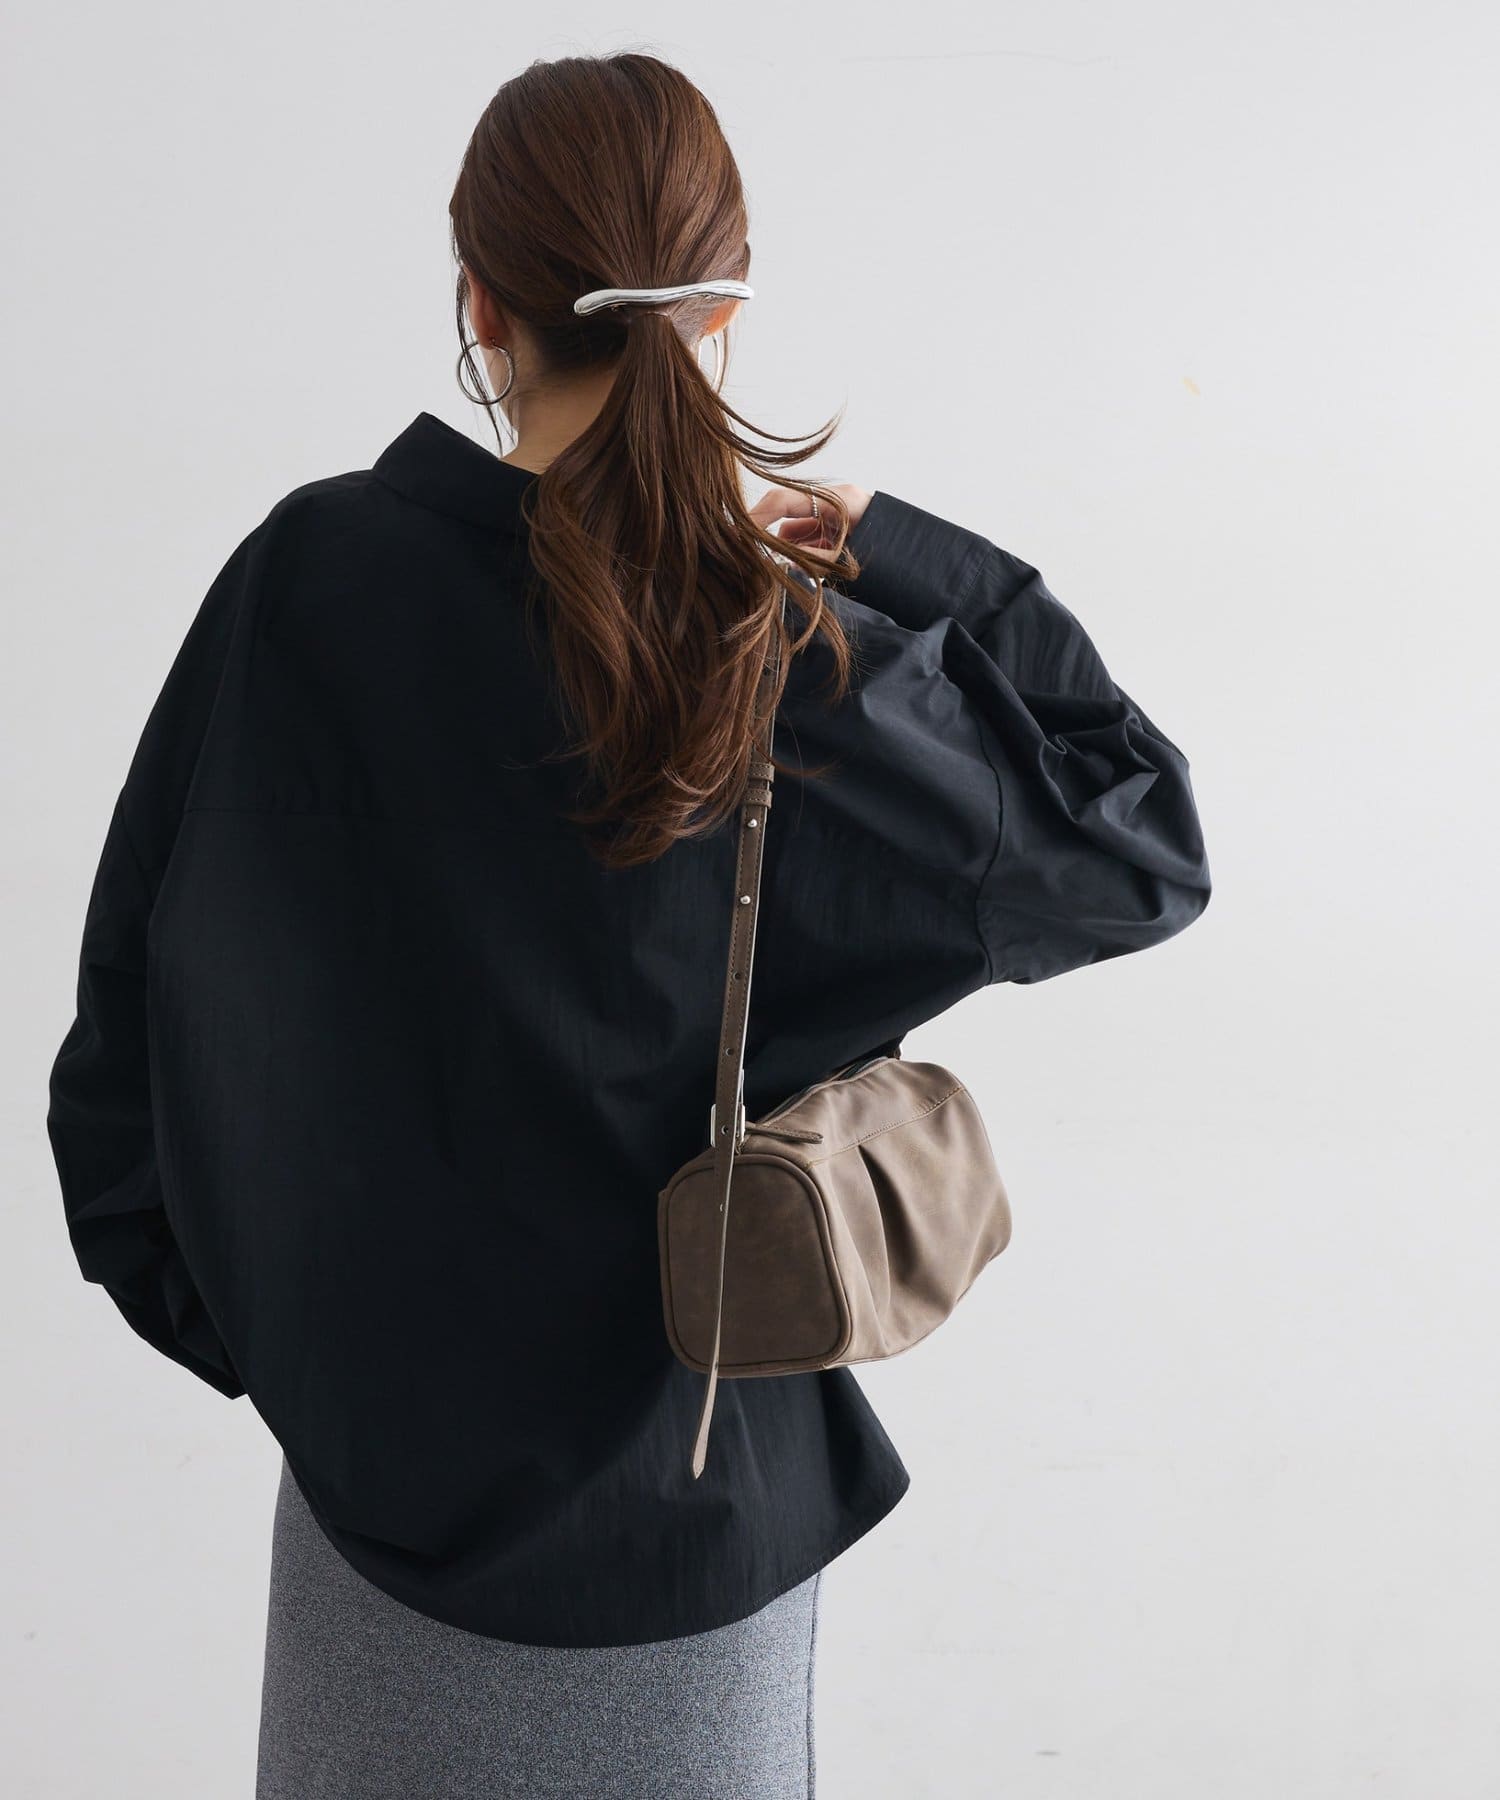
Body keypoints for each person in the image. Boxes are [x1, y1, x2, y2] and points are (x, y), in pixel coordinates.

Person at [44, 50, 1211, 1800]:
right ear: (721, 310)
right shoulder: (792, 665)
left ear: (480, 301)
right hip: (697, 1539)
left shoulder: (304, 583)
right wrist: (905, 553)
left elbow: (125, 1055)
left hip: (371, 1537)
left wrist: (306, 1374)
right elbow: (1140, 845)